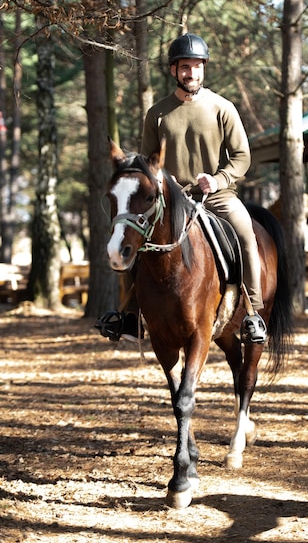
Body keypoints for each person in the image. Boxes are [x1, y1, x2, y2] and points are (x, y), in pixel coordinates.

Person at [96, 33, 266, 343]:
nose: (192, 73)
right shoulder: (157, 113)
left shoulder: (223, 108)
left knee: (245, 235)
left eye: (197, 67)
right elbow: (148, 165)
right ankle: (131, 316)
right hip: (170, 203)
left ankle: (253, 313)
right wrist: (161, 185)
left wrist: (218, 180)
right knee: (137, 238)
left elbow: (243, 157)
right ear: (174, 70)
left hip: (216, 196)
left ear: (204, 69)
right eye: (185, 67)